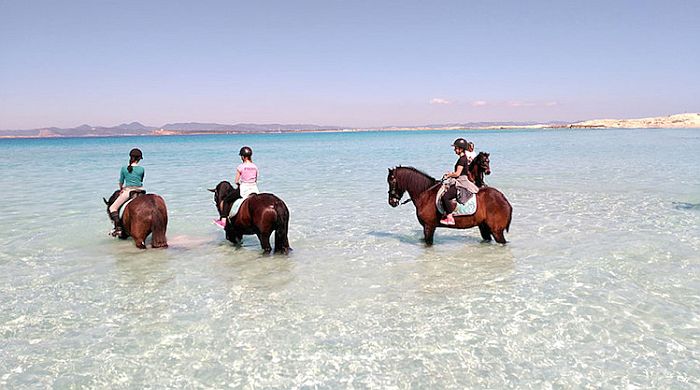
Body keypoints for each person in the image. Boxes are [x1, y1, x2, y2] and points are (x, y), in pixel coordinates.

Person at [214, 146, 260, 228]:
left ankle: (223, 220)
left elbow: (236, 181)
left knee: (226, 201)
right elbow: (255, 179)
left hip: (244, 189)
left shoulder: (240, 167)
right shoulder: (255, 166)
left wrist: (239, 185)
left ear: (242, 157)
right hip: (254, 189)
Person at [440, 138, 478, 225]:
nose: (454, 150)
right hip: (460, 179)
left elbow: (457, 174)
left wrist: (449, 175)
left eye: (456, 148)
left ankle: (450, 217)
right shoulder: (463, 158)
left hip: (461, 182)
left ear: (461, 148)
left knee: (445, 197)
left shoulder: (462, 159)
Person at [109, 148, 145, 236]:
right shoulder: (142, 169)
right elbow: (140, 180)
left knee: (112, 208)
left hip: (129, 191)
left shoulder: (124, 168)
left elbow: (121, 182)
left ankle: (118, 229)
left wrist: (122, 189)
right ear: (139, 158)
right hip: (141, 191)